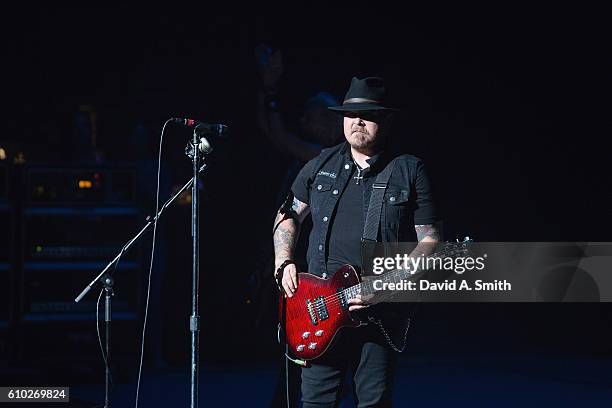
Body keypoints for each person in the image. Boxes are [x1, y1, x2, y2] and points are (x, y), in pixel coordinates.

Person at [273, 76, 440, 407]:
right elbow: (287, 213)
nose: (357, 122)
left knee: (373, 402)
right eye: (351, 115)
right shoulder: (320, 164)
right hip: (317, 309)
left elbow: (430, 241)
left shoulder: (408, 169)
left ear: (387, 119)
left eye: (368, 115)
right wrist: (284, 260)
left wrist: (386, 285)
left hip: (378, 315)